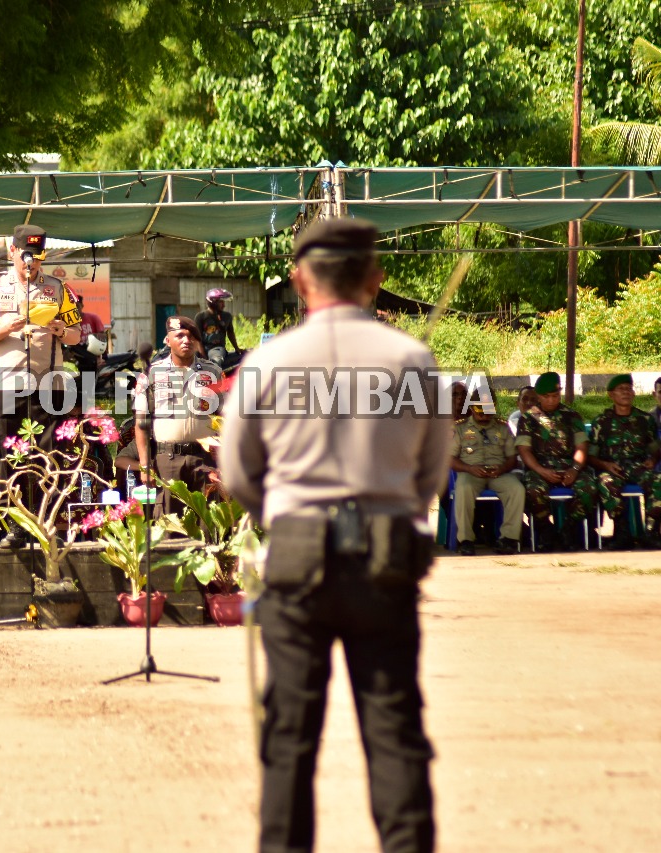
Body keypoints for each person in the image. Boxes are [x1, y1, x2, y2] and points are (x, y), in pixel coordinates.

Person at [220, 217, 446, 852]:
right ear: (375, 279)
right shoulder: (413, 361)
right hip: (387, 555)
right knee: (394, 728)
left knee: (288, 735)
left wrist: (288, 515)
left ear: (297, 280)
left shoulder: (267, 362)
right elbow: (430, 476)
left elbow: (239, 473)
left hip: (297, 553)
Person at [0, 224, 82, 545]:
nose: (30, 264)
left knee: (48, 454)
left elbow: (78, 334)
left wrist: (62, 330)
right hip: (8, 384)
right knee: (9, 453)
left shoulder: (57, 288)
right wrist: (5, 327)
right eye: (25, 257)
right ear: (12, 253)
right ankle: (16, 525)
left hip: (49, 383)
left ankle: (46, 523)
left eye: (37, 258)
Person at [133, 315, 220, 513]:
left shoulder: (212, 371)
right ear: (168, 340)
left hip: (205, 460)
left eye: (191, 336)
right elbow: (141, 423)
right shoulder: (151, 373)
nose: (186, 341)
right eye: (180, 335)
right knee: (169, 525)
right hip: (168, 460)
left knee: (207, 523)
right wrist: (145, 465)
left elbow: (224, 417)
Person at [516, 372, 595, 551]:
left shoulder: (572, 416)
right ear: (538, 396)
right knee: (531, 491)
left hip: (569, 466)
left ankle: (569, 528)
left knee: (589, 488)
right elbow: (524, 450)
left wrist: (575, 469)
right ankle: (545, 530)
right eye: (546, 397)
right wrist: (541, 471)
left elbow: (582, 447)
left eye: (555, 396)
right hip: (540, 468)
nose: (551, 400)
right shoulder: (528, 418)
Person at [588, 374, 660, 550]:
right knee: (606, 484)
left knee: (658, 481)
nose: (626, 393)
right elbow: (591, 456)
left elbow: (655, 449)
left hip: (638, 466)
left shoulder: (645, 420)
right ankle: (622, 532)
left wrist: (653, 459)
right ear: (611, 395)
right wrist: (605, 465)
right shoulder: (601, 422)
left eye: (629, 389)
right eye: (621, 390)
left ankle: (651, 531)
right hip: (612, 468)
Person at [450, 404, 524, 555]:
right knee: (463, 489)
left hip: (498, 473)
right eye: (480, 412)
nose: (484, 416)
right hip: (470, 472)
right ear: (472, 408)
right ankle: (465, 540)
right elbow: (450, 458)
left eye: (488, 413)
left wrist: (502, 469)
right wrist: (469, 468)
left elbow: (512, 458)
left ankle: (508, 539)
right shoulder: (460, 428)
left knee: (517, 489)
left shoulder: (503, 427)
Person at [194, 288, 243, 367]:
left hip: (216, 349)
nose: (224, 305)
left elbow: (230, 333)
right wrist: (203, 356)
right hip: (202, 349)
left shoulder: (227, 316)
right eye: (221, 302)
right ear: (213, 302)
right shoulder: (200, 317)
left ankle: (214, 376)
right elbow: (197, 339)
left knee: (216, 358)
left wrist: (236, 348)